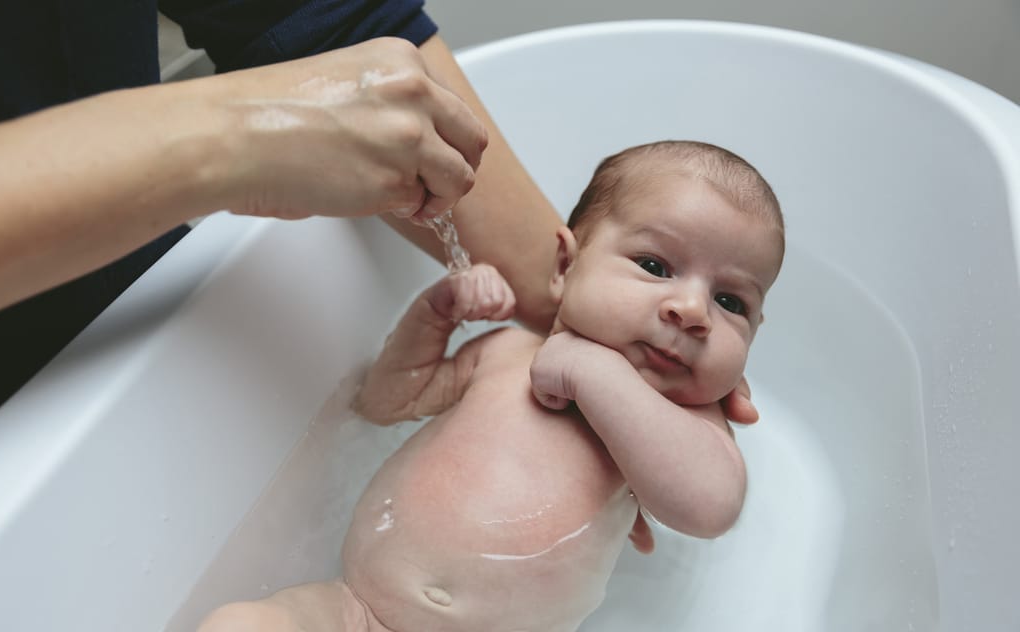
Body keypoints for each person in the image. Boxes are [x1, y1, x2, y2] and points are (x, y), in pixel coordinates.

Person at [196, 140, 786, 632]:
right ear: (564, 267)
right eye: (655, 266)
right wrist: (436, 315)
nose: (691, 310)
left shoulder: (686, 424)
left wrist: (594, 371)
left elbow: (709, 508)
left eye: (731, 301)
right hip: (356, 610)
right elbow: (382, 404)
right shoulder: (506, 351)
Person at [0, 1, 570, 457]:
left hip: (134, 317)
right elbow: (380, 407)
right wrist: (234, 139)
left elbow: (313, 19)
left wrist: (578, 305)